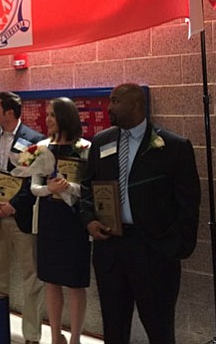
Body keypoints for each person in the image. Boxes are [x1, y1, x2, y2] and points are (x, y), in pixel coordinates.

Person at [79, 83, 201, 344]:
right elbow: (86, 189)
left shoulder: (173, 147)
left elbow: (188, 203)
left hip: (154, 252)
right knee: (114, 328)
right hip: (110, 248)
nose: (109, 107)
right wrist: (89, 219)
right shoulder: (101, 142)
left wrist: (176, 247)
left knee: (159, 328)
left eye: (115, 101)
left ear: (135, 105)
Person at [0, 91, 45, 344]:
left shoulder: (35, 140)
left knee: (31, 276)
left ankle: (32, 337)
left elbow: (35, 177)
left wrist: (14, 205)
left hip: (20, 217)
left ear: (9, 112)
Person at [30, 98, 91, 344]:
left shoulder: (85, 147)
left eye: (53, 115)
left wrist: (69, 187)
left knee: (75, 282)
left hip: (74, 221)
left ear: (66, 117)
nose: (48, 119)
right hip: (49, 219)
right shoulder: (40, 146)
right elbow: (33, 187)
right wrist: (49, 189)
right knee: (51, 280)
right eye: (47, 115)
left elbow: (89, 188)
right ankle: (56, 336)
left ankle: (75, 337)